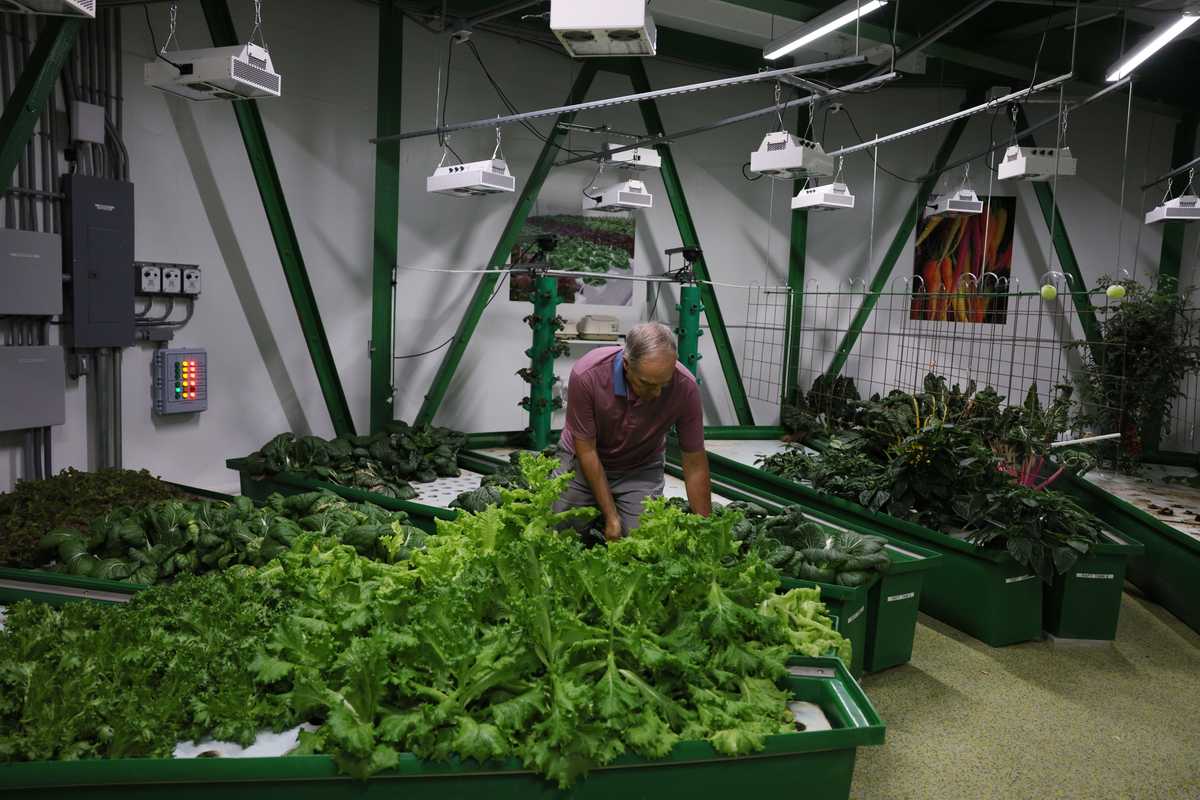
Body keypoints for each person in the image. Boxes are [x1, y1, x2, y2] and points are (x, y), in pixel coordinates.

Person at [552, 321, 711, 540]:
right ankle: (602, 510)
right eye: (646, 384)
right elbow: (586, 450)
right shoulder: (587, 374)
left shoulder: (686, 387)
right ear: (626, 365)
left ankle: (615, 510)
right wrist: (611, 517)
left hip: (640, 468)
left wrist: (706, 531)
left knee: (642, 542)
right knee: (560, 532)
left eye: (663, 384)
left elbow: (694, 463)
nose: (656, 393)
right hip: (581, 460)